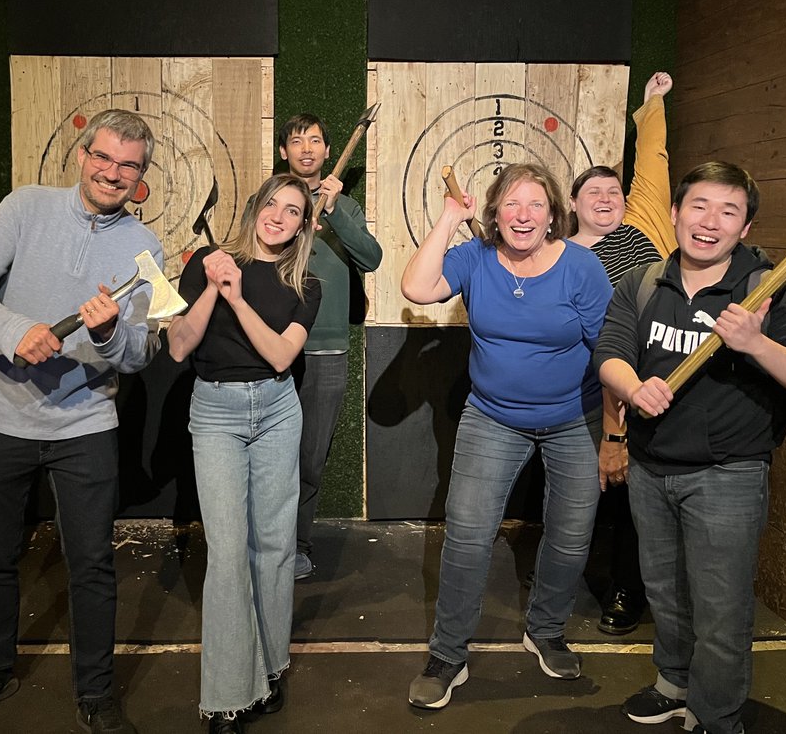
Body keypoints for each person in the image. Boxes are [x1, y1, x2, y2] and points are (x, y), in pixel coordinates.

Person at [594, 161, 786, 734]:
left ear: (746, 227)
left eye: (729, 211)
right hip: (652, 469)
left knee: (721, 611)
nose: (710, 222)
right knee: (666, 592)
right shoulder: (645, 280)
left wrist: (757, 344)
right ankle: (673, 682)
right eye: (699, 206)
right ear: (676, 213)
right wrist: (633, 386)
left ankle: (716, 715)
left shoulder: (766, 289)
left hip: (727, 477)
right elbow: (608, 350)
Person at [0, 109, 163, 734]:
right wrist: (15, 330)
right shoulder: (24, 208)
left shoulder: (145, 249)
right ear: (83, 153)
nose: (112, 172)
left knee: (91, 561)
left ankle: (95, 693)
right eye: (104, 156)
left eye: (129, 165)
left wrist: (113, 332)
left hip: (85, 424)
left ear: (141, 177)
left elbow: (142, 352)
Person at [401, 163, 612, 709]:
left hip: (576, 417)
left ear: (552, 217)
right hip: (493, 415)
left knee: (570, 535)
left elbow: (611, 355)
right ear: (493, 212)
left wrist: (615, 434)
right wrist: (450, 217)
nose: (523, 215)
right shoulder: (474, 258)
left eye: (536, 205)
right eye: (511, 204)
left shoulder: (581, 268)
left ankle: (545, 629)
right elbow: (417, 287)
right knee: (469, 535)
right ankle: (449, 652)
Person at [167, 173, 320, 734]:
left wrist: (237, 295)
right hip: (216, 412)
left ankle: (271, 665)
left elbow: (281, 356)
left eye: (294, 211)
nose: (279, 216)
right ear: (256, 206)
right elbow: (180, 346)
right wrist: (212, 287)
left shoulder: (307, 284)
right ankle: (228, 696)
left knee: (275, 545)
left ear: (304, 225)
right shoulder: (207, 263)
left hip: (278, 408)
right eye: (272, 204)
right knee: (230, 552)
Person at [568, 71, 674, 635]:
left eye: (614, 193)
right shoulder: (557, 252)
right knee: (588, 492)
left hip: (640, 378)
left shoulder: (641, 236)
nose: (607, 200)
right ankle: (585, 573)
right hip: (580, 390)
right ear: (574, 203)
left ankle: (628, 589)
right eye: (594, 193)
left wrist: (652, 105)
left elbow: (652, 170)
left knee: (631, 488)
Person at [276, 114, 383, 580]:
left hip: (326, 351)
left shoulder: (344, 206)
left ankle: (298, 545)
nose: (306, 149)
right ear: (284, 152)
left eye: (315, 141)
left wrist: (335, 211)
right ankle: (264, 544)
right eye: (296, 141)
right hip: (272, 346)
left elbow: (372, 258)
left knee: (310, 456)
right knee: (270, 454)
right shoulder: (272, 204)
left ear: (326, 150)